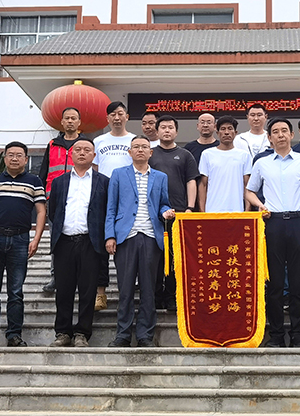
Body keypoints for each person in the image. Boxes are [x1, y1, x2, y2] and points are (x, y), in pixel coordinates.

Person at [245, 118, 300, 348]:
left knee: (297, 283)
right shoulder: (262, 163)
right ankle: (276, 334)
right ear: (269, 138)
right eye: (275, 132)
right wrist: (260, 205)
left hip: (299, 222)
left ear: (291, 135)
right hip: (273, 223)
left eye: (284, 131)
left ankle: (297, 334)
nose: (280, 135)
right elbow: (249, 191)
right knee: (275, 283)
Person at [0, 141, 46, 347]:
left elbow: (41, 211)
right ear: (5, 158)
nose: (15, 158)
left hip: (20, 240)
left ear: (26, 159)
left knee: (16, 292)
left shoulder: (34, 181)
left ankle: (14, 335)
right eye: (11, 154)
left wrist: (36, 239)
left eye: (19, 155)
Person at [106, 136, 175, 347]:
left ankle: (145, 335)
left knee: (148, 289)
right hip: (126, 236)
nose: (140, 150)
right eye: (136, 147)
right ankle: (123, 335)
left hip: (151, 237)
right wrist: (110, 235)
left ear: (150, 152)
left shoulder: (160, 177)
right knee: (125, 289)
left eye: (144, 147)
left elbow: (163, 203)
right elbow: (111, 207)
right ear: (129, 152)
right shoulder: (118, 174)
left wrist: (166, 212)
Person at [47, 138, 108, 348]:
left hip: (91, 242)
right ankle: (63, 332)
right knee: (63, 290)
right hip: (64, 241)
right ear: (72, 154)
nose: (82, 153)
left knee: (88, 291)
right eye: (78, 149)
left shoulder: (104, 181)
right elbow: (53, 211)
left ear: (94, 155)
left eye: (87, 150)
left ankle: (82, 333)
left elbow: (106, 211)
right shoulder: (60, 182)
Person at [150, 115, 199, 311]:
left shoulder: (185, 155)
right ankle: (155, 296)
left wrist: (190, 207)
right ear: (157, 131)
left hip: (179, 213)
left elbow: (191, 181)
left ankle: (171, 296)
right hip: (154, 215)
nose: (167, 130)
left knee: (174, 257)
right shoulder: (150, 153)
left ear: (176, 132)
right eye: (163, 127)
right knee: (155, 257)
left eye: (170, 127)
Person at [92, 101, 135, 311]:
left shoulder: (134, 140)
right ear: (107, 118)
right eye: (112, 115)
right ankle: (100, 292)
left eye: (120, 113)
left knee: (128, 243)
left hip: (128, 197)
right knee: (101, 244)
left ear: (127, 116)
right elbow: (94, 169)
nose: (116, 118)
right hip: (103, 195)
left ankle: (129, 288)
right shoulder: (99, 141)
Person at [40, 107, 84, 293]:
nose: (70, 121)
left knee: (81, 240)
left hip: (79, 198)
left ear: (79, 122)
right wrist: (41, 198)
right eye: (67, 118)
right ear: (62, 122)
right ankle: (56, 277)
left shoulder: (84, 145)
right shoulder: (52, 144)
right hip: (55, 200)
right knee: (56, 240)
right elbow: (43, 172)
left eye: (74, 118)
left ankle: (79, 277)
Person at [198, 115, 252, 212]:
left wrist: (247, 210)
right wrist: (203, 212)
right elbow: (203, 185)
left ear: (235, 133)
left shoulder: (244, 155)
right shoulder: (207, 154)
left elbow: (247, 184)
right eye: (223, 129)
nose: (226, 132)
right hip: (212, 211)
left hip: (237, 211)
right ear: (217, 133)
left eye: (230, 129)